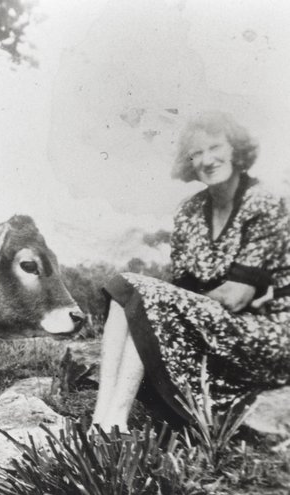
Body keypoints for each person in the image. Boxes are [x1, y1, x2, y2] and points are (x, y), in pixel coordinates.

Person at [92, 112, 290, 434]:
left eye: (215, 147)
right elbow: (180, 286)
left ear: (236, 150)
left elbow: (238, 296)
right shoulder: (189, 211)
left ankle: (116, 420)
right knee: (127, 297)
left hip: (267, 333)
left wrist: (181, 302)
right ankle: (103, 419)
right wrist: (179, 301)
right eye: (196, 153)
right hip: (216, 323)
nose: (207, 160)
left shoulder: (265, 202)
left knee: (142, 294)